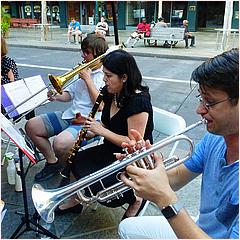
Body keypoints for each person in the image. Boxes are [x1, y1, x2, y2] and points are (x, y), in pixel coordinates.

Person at [118, 48, 239, 239]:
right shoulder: (216, 138)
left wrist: (166, 200)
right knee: (128, 228)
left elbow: (168, 193)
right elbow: (175, 179)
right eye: (201, 99)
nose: (200, 110)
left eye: (210, 102)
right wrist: (145, 166)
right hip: (202, 228)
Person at [54, 49, 154, 218]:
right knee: (76, 161)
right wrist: (92, 132)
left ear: (124, 77)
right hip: (110, 149)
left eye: (108, 76)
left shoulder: (139, 102)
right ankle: (74, 202)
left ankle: (136, 198)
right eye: (104, 75)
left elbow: (133, 142)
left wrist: (101, 130)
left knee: (103, 188)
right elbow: (106, 123)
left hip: (132, 157)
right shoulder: (110, 93)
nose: (104, 80)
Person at [25, 34, 109, 182]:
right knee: (32, 126)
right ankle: (53, 163)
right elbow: (69, 95)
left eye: (87, 52)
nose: (83, 55)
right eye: (83, 51)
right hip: (71, 115)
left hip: (90, 121)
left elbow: (102, 106)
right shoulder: (82, 70)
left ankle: (68, 170)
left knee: (60, 144)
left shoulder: (106, 76)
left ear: (98, 54)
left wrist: (88, 80)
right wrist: (56, 95)